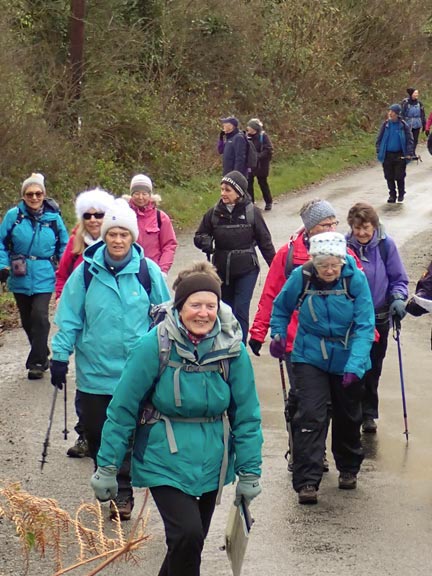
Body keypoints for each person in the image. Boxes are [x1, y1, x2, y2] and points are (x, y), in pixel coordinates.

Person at [90, 261, 263, 576]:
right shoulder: (155, 345)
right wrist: (108, 467)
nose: (203, 313)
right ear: (180, 307)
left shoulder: (232, 350)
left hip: (213, 458)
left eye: (211, 305)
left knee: (187, 545)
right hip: (163, 456)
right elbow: (123, 407)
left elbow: (247, 415)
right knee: (187, 534)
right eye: (195, 305)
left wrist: (250, 472)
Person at [50, 199, 170, 521]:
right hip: (94, 372)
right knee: (97, 432)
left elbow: (166, 318)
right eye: (112, 234)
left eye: (124, 235)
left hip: (135, 372)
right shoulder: (85, 273)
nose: (117, 240)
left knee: (128, 433)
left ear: (133, 238)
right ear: (104, 236)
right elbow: (70, 317)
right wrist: (59, 356)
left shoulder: (148, 272)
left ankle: (123, 492)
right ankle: (107, 476)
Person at [249, 199, 361, 471]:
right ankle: (307, 454)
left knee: (333, 402)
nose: (332, 228)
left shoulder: (347, 256)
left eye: (334, 223)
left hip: (338, 343)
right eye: (326, 224)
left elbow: (360, 300)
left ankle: (317, 452)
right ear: (310, 229)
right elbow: (272, 295)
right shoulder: (287, 255)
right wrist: (260, 331)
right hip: (296, 342)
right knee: (305, 402)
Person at [270, 232, 375, 505]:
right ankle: (307, 480)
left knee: (349, 414)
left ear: (342, 261)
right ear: (313, 262)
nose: (329, 270)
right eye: (323, 265)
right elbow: (280, 307)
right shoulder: (301, 277)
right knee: (310, 415)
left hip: (348, 352)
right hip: (309, 354)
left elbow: (365, 325)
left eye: (334, 265)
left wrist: (355, 364)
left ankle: (349, 468)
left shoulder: (355, 279)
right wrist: (279, 335)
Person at [55, 188, 115, 458]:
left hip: (113, 325)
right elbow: (63, 274)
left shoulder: (118, 240)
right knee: (88, 386)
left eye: (98, 214)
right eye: (87, 215)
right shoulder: (75, 242)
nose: (93, 219)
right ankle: (85, 435)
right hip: (86, 325)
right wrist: (62, 298)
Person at [346, 202, 408, 433]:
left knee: (373, 368)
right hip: (350, 320)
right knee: (352, 366)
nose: (361, 233)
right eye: (357, 228)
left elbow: (398, 278)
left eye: (366, 227)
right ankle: (351, 410)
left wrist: (398, 298)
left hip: (379, 316)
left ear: (375, 226)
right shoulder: (343, 246)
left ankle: (368, 413)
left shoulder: (385, 246)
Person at [0, 173, 68, 380]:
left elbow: (64, 245)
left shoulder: (54, 218)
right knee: (27, 320)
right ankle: (42, 352)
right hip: (19, 274)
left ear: (44, 194)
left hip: (45, 273)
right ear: (23, 196)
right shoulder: (13, 216)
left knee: (40, 315)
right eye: (30, 194)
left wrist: (64, 268)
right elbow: (1, 242)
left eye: (38, 193)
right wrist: (3, 265)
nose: (35, 197)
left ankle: (36, 362)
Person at [194, 170, 275, 343]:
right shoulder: (213, 213)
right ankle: (224, 344)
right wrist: (205, 242)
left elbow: (265, 242)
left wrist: (277, 269)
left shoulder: (252, 212)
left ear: (239, 192)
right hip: (221, 270)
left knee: (241, 309)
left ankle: (240, 348)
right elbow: (199, 235)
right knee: (224, 309)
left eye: (228, 190)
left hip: (247, 269)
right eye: (222, 189)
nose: (223, 193)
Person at [128, 174, 178, 276]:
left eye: (144, 193)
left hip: (152, 272)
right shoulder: (123, 215)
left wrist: (162, 270)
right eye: (136, 193)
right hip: (128, 272)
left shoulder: (161, 217)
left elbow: (169, 245)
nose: (140, 197)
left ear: (150, 194)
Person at [376, 103, 414, 204]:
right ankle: (392, 195)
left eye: (392, 112)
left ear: (397, 113)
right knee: (389, 176)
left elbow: (410, 140)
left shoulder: (403, 125)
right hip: (387, 154)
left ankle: (401, 192)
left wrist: (410, 152)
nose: (390, 113)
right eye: (390, 111)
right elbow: (379, 138)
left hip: (400, 154)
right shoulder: (385, 125)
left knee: (399, 176)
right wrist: (379, 149)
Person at [246, 118, 274, 211]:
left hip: (262, 164)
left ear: (254, 128)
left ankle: (268, 202)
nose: (247, 128)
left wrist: (258, 156)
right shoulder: (246, 137)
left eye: (249, 126)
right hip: (250, 164)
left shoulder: (263, 136)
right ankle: (251, 203)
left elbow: (268, 149)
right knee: (249, 183)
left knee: (262, 183)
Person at [400, 87, 425, 154]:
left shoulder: (420, 103)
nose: (417, 95)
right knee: (408, 139)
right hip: (407, 123)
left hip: (417, 124)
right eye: (415, 93)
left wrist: (424, 124)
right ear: (411, 94)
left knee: (415, 139)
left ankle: (412, 152)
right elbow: (402, 113)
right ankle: (407, 152)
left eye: (417, 93)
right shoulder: (405, 103)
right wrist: (401, 123)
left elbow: (422, 114)